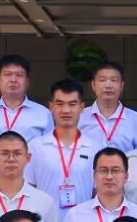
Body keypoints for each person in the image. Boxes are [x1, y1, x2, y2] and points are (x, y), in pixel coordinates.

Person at [26, 79, 101, 214]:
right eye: (60, 104)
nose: (66, 110)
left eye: (72, 104)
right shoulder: (36, 146)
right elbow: (28, 189)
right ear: (51, 106)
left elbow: (98, 191)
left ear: (82, 107)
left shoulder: (95, 148)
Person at [0, 52, 51, 151]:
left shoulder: (43, 114)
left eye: (19, 75)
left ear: (27, 82)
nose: (13, 80)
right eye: (8, 74)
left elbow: (50, 150)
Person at [82, 60, 137, 151]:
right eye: (102, 80)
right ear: (93, 85)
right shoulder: (80, 117)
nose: (108, 85)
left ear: (122, 86)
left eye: (114, 80)